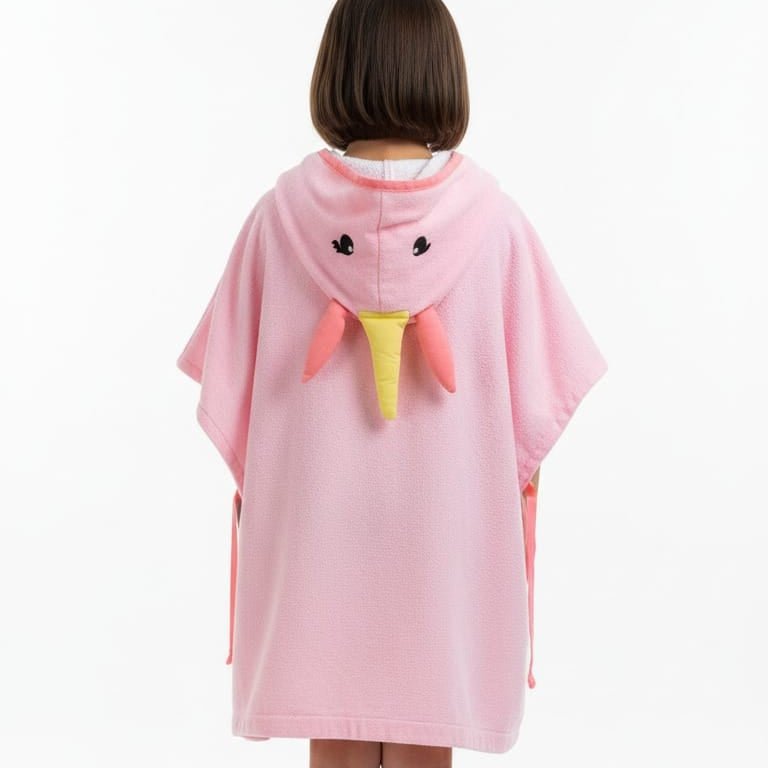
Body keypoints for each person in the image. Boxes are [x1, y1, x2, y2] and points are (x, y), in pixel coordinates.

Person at [175, 1, 607, 766]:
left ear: (336, 72)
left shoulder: (278, 220)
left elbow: (229, 403)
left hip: (317, 544)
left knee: (333, 724)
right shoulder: (495, 224)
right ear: (442, 73)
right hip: (446, 542)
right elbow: (540, 415)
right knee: (426, 727)